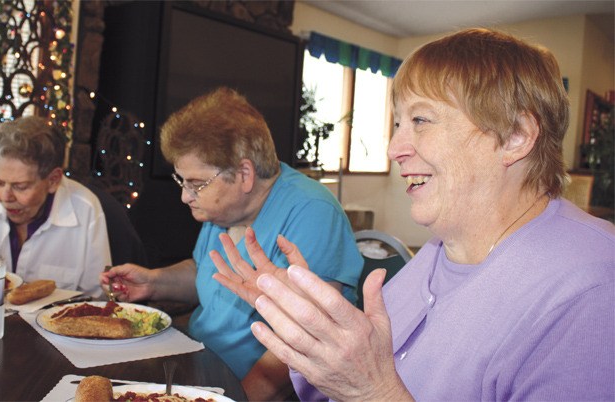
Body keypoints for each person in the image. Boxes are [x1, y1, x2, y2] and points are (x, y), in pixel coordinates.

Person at [212, 28, 615, 401]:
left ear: (515, 137)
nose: (394, 148)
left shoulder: (594, 290)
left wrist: (374, 392)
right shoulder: (445, 246)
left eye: (420, 120)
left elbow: (376, 384)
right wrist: (319, 329)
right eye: (398, 122)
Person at [101, 87, 363, 401]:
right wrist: (154, 283)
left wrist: (234, 399)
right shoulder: (224, 209)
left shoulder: (312, 211)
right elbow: (206, 273)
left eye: (197, 184)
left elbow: (306, 338)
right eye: (182, 181)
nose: (185, 196)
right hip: (198, 368)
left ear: (244, 173)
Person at [0, 116, 111, 298]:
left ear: (53, 180)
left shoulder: (85, 209)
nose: (5, 197)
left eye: (20, 187)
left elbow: (98, 298)